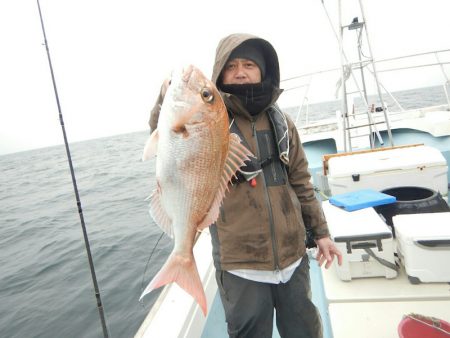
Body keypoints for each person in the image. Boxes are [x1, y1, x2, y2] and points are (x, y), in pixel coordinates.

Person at [149, 33, 342, 338]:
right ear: (220, 74)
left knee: (305, 329)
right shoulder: (209, 120)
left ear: (264, 71)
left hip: (293, 259)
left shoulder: (283, 123)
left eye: (249, 64)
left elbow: (303, 183)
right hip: (240, 264)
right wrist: (164, 99)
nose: (240, 71)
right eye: (232, 65)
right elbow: (165, 136)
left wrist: (322, 234)